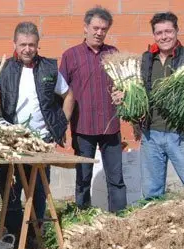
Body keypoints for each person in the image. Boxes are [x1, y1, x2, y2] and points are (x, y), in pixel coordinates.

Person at [112, 12, 184, 227]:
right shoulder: (145, 60)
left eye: (168, 31)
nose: (164, 36)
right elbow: (136, 94)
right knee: (152, 194)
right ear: (154, 35)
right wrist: (122, 98)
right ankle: (155, 241)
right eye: (159, 32)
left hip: (182, 137)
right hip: (151, 136)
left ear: (176, 31)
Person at [0, 22, 70, 248]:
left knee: (37, 190)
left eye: (32, 45)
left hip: (41, 141)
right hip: (12, 141)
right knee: (9, 186)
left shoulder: (49, 68)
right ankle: (14, 233)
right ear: (14, 44)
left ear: (38, 46)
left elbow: (68, 95)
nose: (27, 49)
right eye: (23, 44)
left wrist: (61, 123)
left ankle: (34, 234)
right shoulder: (3, 69)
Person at [59, 6, 127, 213]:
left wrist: (123, 93)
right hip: (83, 127)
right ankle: (83, 216)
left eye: (103, 29)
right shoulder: (71, 55)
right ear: (86, 27)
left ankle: (119, 218)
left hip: (110, 126)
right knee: (83, 177)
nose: (99, 33)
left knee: (116, 178)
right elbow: (61, 92)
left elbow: (125, 85)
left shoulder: (113, 54)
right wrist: (61, 124)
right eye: (95, 28)